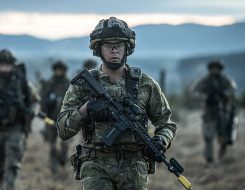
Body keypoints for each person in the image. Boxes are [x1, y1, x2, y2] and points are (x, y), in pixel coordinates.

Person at [57, 17, 176, 190]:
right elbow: (62, 130)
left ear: (127, 48)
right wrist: (85, 109)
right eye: (108, 45)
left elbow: (166, 124)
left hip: (134, 166)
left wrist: (160, 141)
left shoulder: (145, 84)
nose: (114, 50)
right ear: (98, 49)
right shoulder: (84, 85)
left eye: (119, 45)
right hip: (95, 165)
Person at [0, 49, 40, 190]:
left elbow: (35, 101)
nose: (4, 68)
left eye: (7, 65)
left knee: (12, 165)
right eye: (1, 65)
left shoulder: (22, 83)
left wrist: (33, 112)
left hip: (15, 129)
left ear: (12, 65)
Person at [191, 60, 238, 165]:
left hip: (223, 112)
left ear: (220, 69)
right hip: (210, 113)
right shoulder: (205, 80)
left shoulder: (225, 80)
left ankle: (223, 156)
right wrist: (207, 97)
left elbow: (233, 91)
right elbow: (194, 92)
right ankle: (209, 159)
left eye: (217, 68)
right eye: (213, 68)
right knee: (208, 136)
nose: (215, 70)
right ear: (210, 69)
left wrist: (224, 94)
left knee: (225, 137)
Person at [40, 60, 70, 173]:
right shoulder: (49, 84)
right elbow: (42, 100)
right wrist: (47, 104)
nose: (58, 72)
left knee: (65, 144)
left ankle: (62, 160)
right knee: (52, 145)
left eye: (60, 70)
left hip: (66, 120)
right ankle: (54, 168)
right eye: (57, 70)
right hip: (50, 119)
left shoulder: (69, 84)